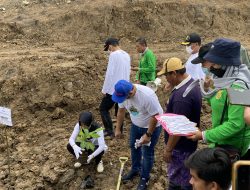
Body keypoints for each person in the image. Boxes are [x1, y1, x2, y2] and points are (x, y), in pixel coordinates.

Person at [187, 38, 250, 160]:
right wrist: (208, 89)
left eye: (214, 64)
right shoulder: (223, 80)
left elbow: (235, 124)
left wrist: (203, 135)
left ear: (226, 63)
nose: (211, 68)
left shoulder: (239, 87)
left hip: (233, 148)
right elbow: (219, 104)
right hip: (221, 141)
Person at [157, 57, 202, 190]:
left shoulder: (182, 97)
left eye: (167, 75)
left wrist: (168, 149)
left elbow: (178, 128)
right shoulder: (191, 83)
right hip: (188, 145)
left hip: (180, 147)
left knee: (179, 182)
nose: (166, 79)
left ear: (175, 73)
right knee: (186, 178)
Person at [112, 80, 163, 190]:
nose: (123, 101)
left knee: (147, 152)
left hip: (152, 126)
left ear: (130, 93)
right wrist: (117, 129)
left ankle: (144, 178)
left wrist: (148, 135)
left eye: (124, 98)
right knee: (133, 146)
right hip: (136, 125)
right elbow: (121, 111)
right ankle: (135, 169)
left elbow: (155, 116)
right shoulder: (122, 94)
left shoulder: (146, 96)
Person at [100, 37, 131, 138]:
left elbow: (110, 74)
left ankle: (109, 130)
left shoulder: (113, 55)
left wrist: (105, 89)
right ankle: (119, 131)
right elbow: (128, 71)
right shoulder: (126, 55)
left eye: (108, 49)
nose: (109, 51)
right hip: (124, 87)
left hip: (114, 88)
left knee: (103, 108)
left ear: (110, 46)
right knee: (120, 109)